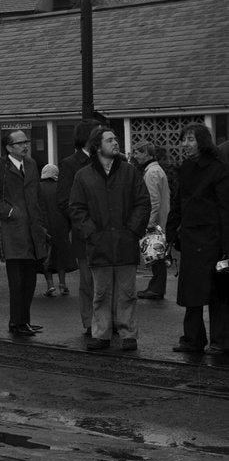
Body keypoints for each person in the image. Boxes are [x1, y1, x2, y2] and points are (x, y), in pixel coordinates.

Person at [68, 128, 150, 352]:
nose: (115, 143)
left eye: (116, 139)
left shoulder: (129, 172)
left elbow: (143, 202)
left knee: (127, 293)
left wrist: (132, 230)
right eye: (110, 140)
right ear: (97, 146)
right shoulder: (83, 176)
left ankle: (128, 333)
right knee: (101, 293)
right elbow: (76, 208)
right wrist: (91, 232)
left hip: (125, 242)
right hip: (99, 243)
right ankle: (101, 333)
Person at [166, 123, 229, 355]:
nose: (185, 144)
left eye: (190, 139)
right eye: (183, 139)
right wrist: (170, 233)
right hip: (191, 239)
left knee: (217, 292)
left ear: (202, 141)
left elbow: (225, 208)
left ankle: (221, 341)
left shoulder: (218, 168)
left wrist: (226, 246)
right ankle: (192, 339)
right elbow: (178, 203)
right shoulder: (186, 167)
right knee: (191, 292)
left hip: (213, 239)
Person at [0, 130, 48, 337]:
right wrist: (10, 212)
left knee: (30, 280)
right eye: (19, 143)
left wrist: (41, 223)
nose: (25, 145)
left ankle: (24, 320)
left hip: (33, 229)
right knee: (17, 280)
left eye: (25, 142)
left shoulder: (31, 164)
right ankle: (16, 322)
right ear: (8, 147)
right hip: (12, 230)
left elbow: (37, 195)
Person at [57, 120, 96, 335]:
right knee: (88, 281)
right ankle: (90, 322)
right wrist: (84, 224)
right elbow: (64, 200)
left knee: (110, 280)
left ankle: (110, 320)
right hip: (85, 233)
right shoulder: (71, 164)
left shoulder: (112, 161)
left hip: (110, 233)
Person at [131, 142, 171, 300]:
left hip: (154, 223)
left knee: (155, 257)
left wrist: (149, 224)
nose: (135, 156)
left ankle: (156, 288)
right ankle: (156, 287)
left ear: (147, 153)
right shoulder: (155, 170)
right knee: (157, 256)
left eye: (138, 152)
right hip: (159, 220)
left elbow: (153, 201)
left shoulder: (151, 173)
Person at [39, 163, 76, 296]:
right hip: (61, 226)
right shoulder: (61, 187)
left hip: (43, 226)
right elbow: (68, 206)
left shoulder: (38, 187)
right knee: (61, 256)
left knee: (46, 256)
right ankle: (62, 284)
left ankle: (50, 285)